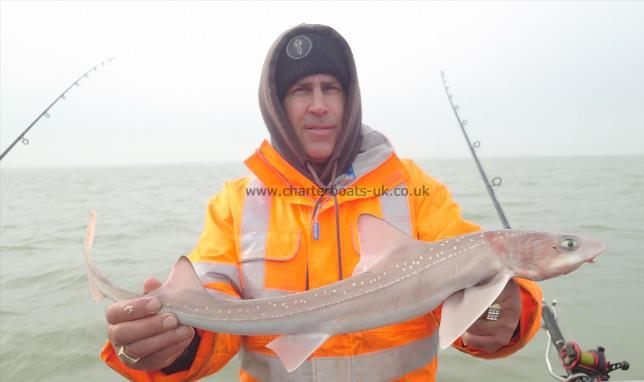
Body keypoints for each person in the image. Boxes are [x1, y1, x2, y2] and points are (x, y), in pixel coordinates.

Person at [100, 24, 542, 381]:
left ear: (350, 99)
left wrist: (506, 314)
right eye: (300, 90)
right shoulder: (236, 203)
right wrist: (173, 347)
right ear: (275, 104)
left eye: (330, 88)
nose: (318, 106)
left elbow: (477, 280)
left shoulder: (415, 190)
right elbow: (213, 302)